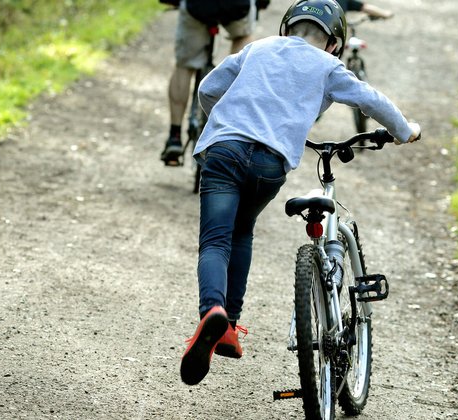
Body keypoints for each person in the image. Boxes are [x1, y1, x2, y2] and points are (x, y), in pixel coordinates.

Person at [179, 0, 421, 386]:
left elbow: (209, 88)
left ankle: (213, 311)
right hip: (268, 164)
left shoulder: (257, 48)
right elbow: (370, 99)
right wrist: (405, 129)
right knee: (243, 232)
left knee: (216, 241)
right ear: (334, 44)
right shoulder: (328, 66)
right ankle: (231, 324)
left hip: (224, 151)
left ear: (286, 28)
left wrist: (221, 119)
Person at [160, 0, 270, 166]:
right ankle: (230, 127)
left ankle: (174, 136)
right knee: (242, 38)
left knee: (184, 66)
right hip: (237, 6)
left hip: (197, 6)